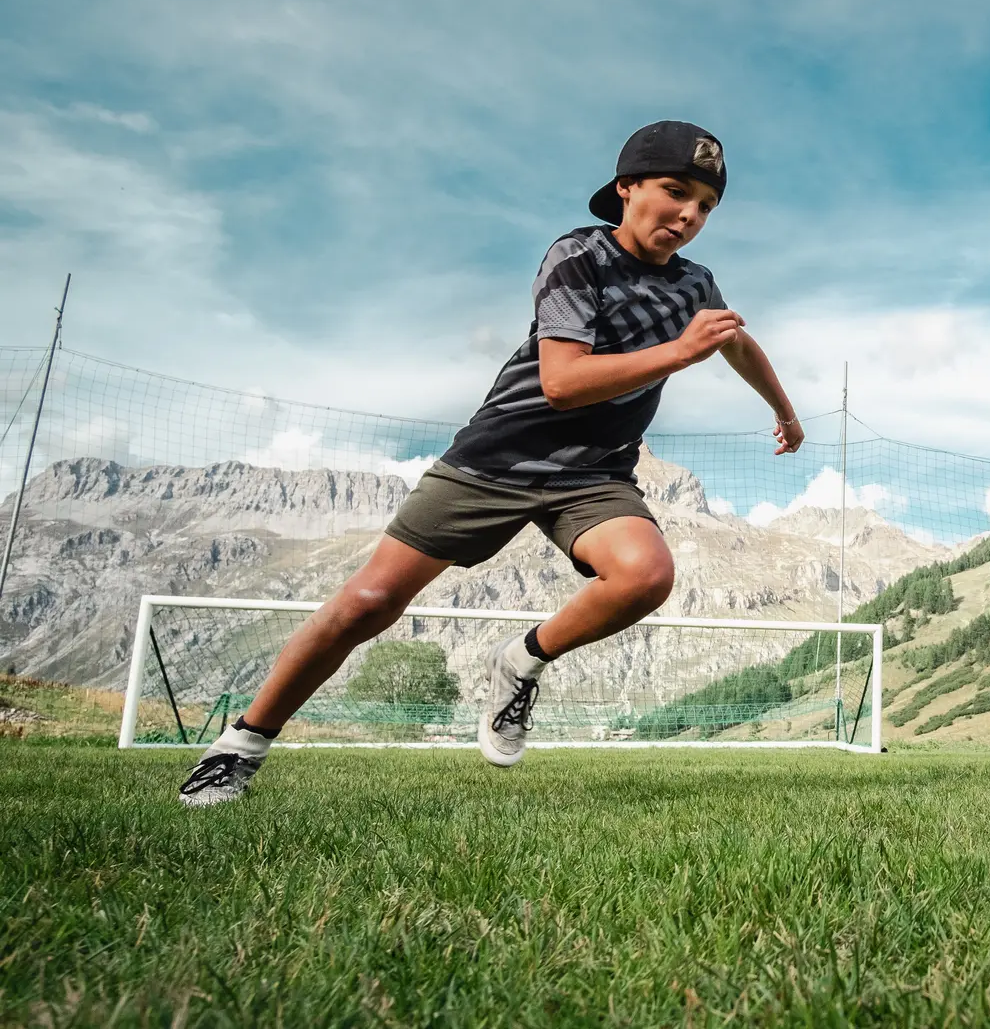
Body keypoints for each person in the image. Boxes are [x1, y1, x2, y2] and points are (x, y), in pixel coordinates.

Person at [179, 121, 803, 806]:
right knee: (368, 603)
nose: (689, 215)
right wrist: (678, 354)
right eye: (675, 192)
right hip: (496, 459)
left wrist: (784, 409)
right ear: (626, 188)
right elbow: (564, 381)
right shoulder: (577, 256)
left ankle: (520, 662)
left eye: (707, 206)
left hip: (594, 475)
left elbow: (733, 341)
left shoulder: (695, 284)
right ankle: (240, 745)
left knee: (644, 575)